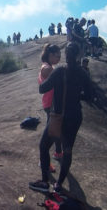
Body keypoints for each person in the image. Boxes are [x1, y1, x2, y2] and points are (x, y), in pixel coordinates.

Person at [29, 42, 92, 193]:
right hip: (75, 116)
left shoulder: (59, 71)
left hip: (58, 116)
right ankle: (59, 185)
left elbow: (42, 89)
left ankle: (45, 182)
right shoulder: (83, 73)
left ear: (66, 55)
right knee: (67, 150)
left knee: (44, 146)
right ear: (77, 55)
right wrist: (76, 95)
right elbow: (90, 96)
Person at [38, 43, 62, 173]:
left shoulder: (50, 66)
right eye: (57, 56)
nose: (59, 58)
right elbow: (60, 76)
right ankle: (43, 161)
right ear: (50, 55)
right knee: (50, 133)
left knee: (56, 130)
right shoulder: (47, 68)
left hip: (53, 103)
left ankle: (58, 152)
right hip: (50, 104)